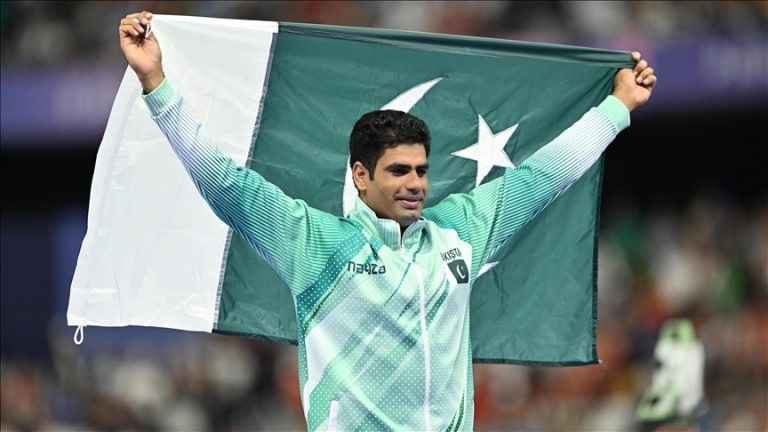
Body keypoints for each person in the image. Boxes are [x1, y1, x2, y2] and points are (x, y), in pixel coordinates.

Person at [120, 10, 656, 431]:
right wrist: (157, 83)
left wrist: (618, 108)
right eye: (398, 170)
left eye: (422, 170)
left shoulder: (460, 230)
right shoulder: (313, 242)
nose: (416, 183)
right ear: (360, 175)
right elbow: (225, 184)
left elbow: (542, 178)